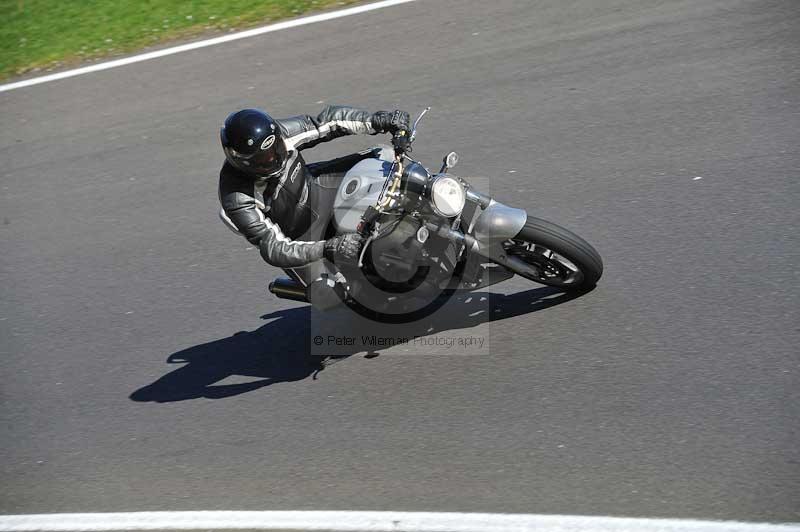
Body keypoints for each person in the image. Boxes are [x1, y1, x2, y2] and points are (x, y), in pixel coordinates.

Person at [218, 105, 410, 309]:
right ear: (242, 162)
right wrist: (326, 248)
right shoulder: (237, 197)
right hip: (298, 236)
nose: (274, 158)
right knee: (328, 295)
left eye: (275, 149)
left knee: (383, 157)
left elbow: (326, 122)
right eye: (263, 158)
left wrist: (378, 120)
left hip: (317, 188)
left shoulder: (281, 133)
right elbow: (274, 248)